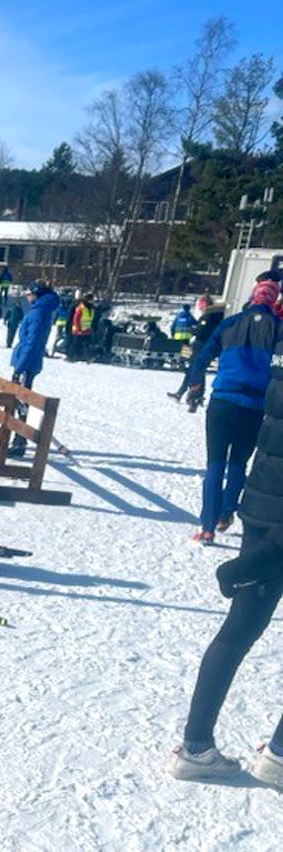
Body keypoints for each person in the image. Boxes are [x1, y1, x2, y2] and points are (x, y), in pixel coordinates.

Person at [169, 335, 283, 789]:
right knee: (238, 630)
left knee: (238, 629)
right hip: (273, 518)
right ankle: (275, 755)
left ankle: (197, 746)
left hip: (262, 504)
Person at [184, 277, 283, 544]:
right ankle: (226, 514)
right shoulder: (278, 329)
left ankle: (207, 527)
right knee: (239, 464)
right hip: (255, 406)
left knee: (215, 464)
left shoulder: (229, 324)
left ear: (253, 296)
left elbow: (201, 359)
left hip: (223, 402)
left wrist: (195, 386)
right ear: (273, 300)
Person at [8, 282, 60, 457]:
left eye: (29, 293)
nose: (27, 296)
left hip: (27, 363)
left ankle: (19, 441)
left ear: (37, 295)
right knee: (20, 401)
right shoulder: (40, 311)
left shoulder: (38, 313)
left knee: (21, 403)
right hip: (29, 361)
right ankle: (19, 439)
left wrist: (20, 367)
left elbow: (32, 342)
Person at [168, 295, 223, 404]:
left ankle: (188, 394)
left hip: (198, 345)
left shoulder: (209, 316)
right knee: (196, 370)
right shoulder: (206, 316)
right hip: (195, 344)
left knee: (194, 370)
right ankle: (192, 394)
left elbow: (202, 331)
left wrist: (194, 330)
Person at [68, 292, 95, 362]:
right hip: (78, 330)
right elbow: (76, 319)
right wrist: (78, 329)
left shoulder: (91, 308)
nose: (93, 301)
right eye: (91, 299)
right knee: (75, 344)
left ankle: (87, 358)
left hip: (87, 329)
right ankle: (70, 357)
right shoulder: (81, 307)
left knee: (86, 344)